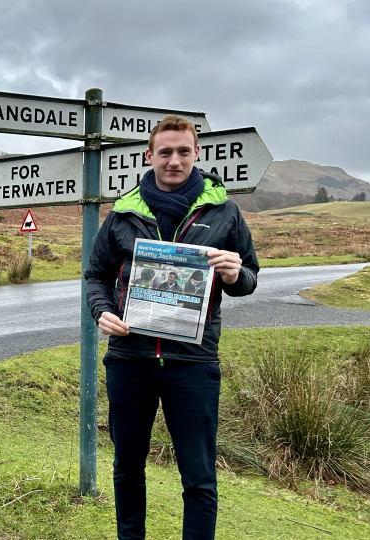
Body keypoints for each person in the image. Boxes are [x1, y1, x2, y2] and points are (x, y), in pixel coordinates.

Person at [84, 115, 259, 540]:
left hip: (193, 364)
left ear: (196, 153)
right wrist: (101, 312)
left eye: (183, 151)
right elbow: (95, 276)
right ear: (149, 156)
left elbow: (249, 278)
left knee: (199, 478)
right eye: (165, 152)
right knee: (127, 467)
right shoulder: (123, 213)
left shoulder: (225, 212)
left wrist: (236, 275)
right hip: (129, 361)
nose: (174, 160)